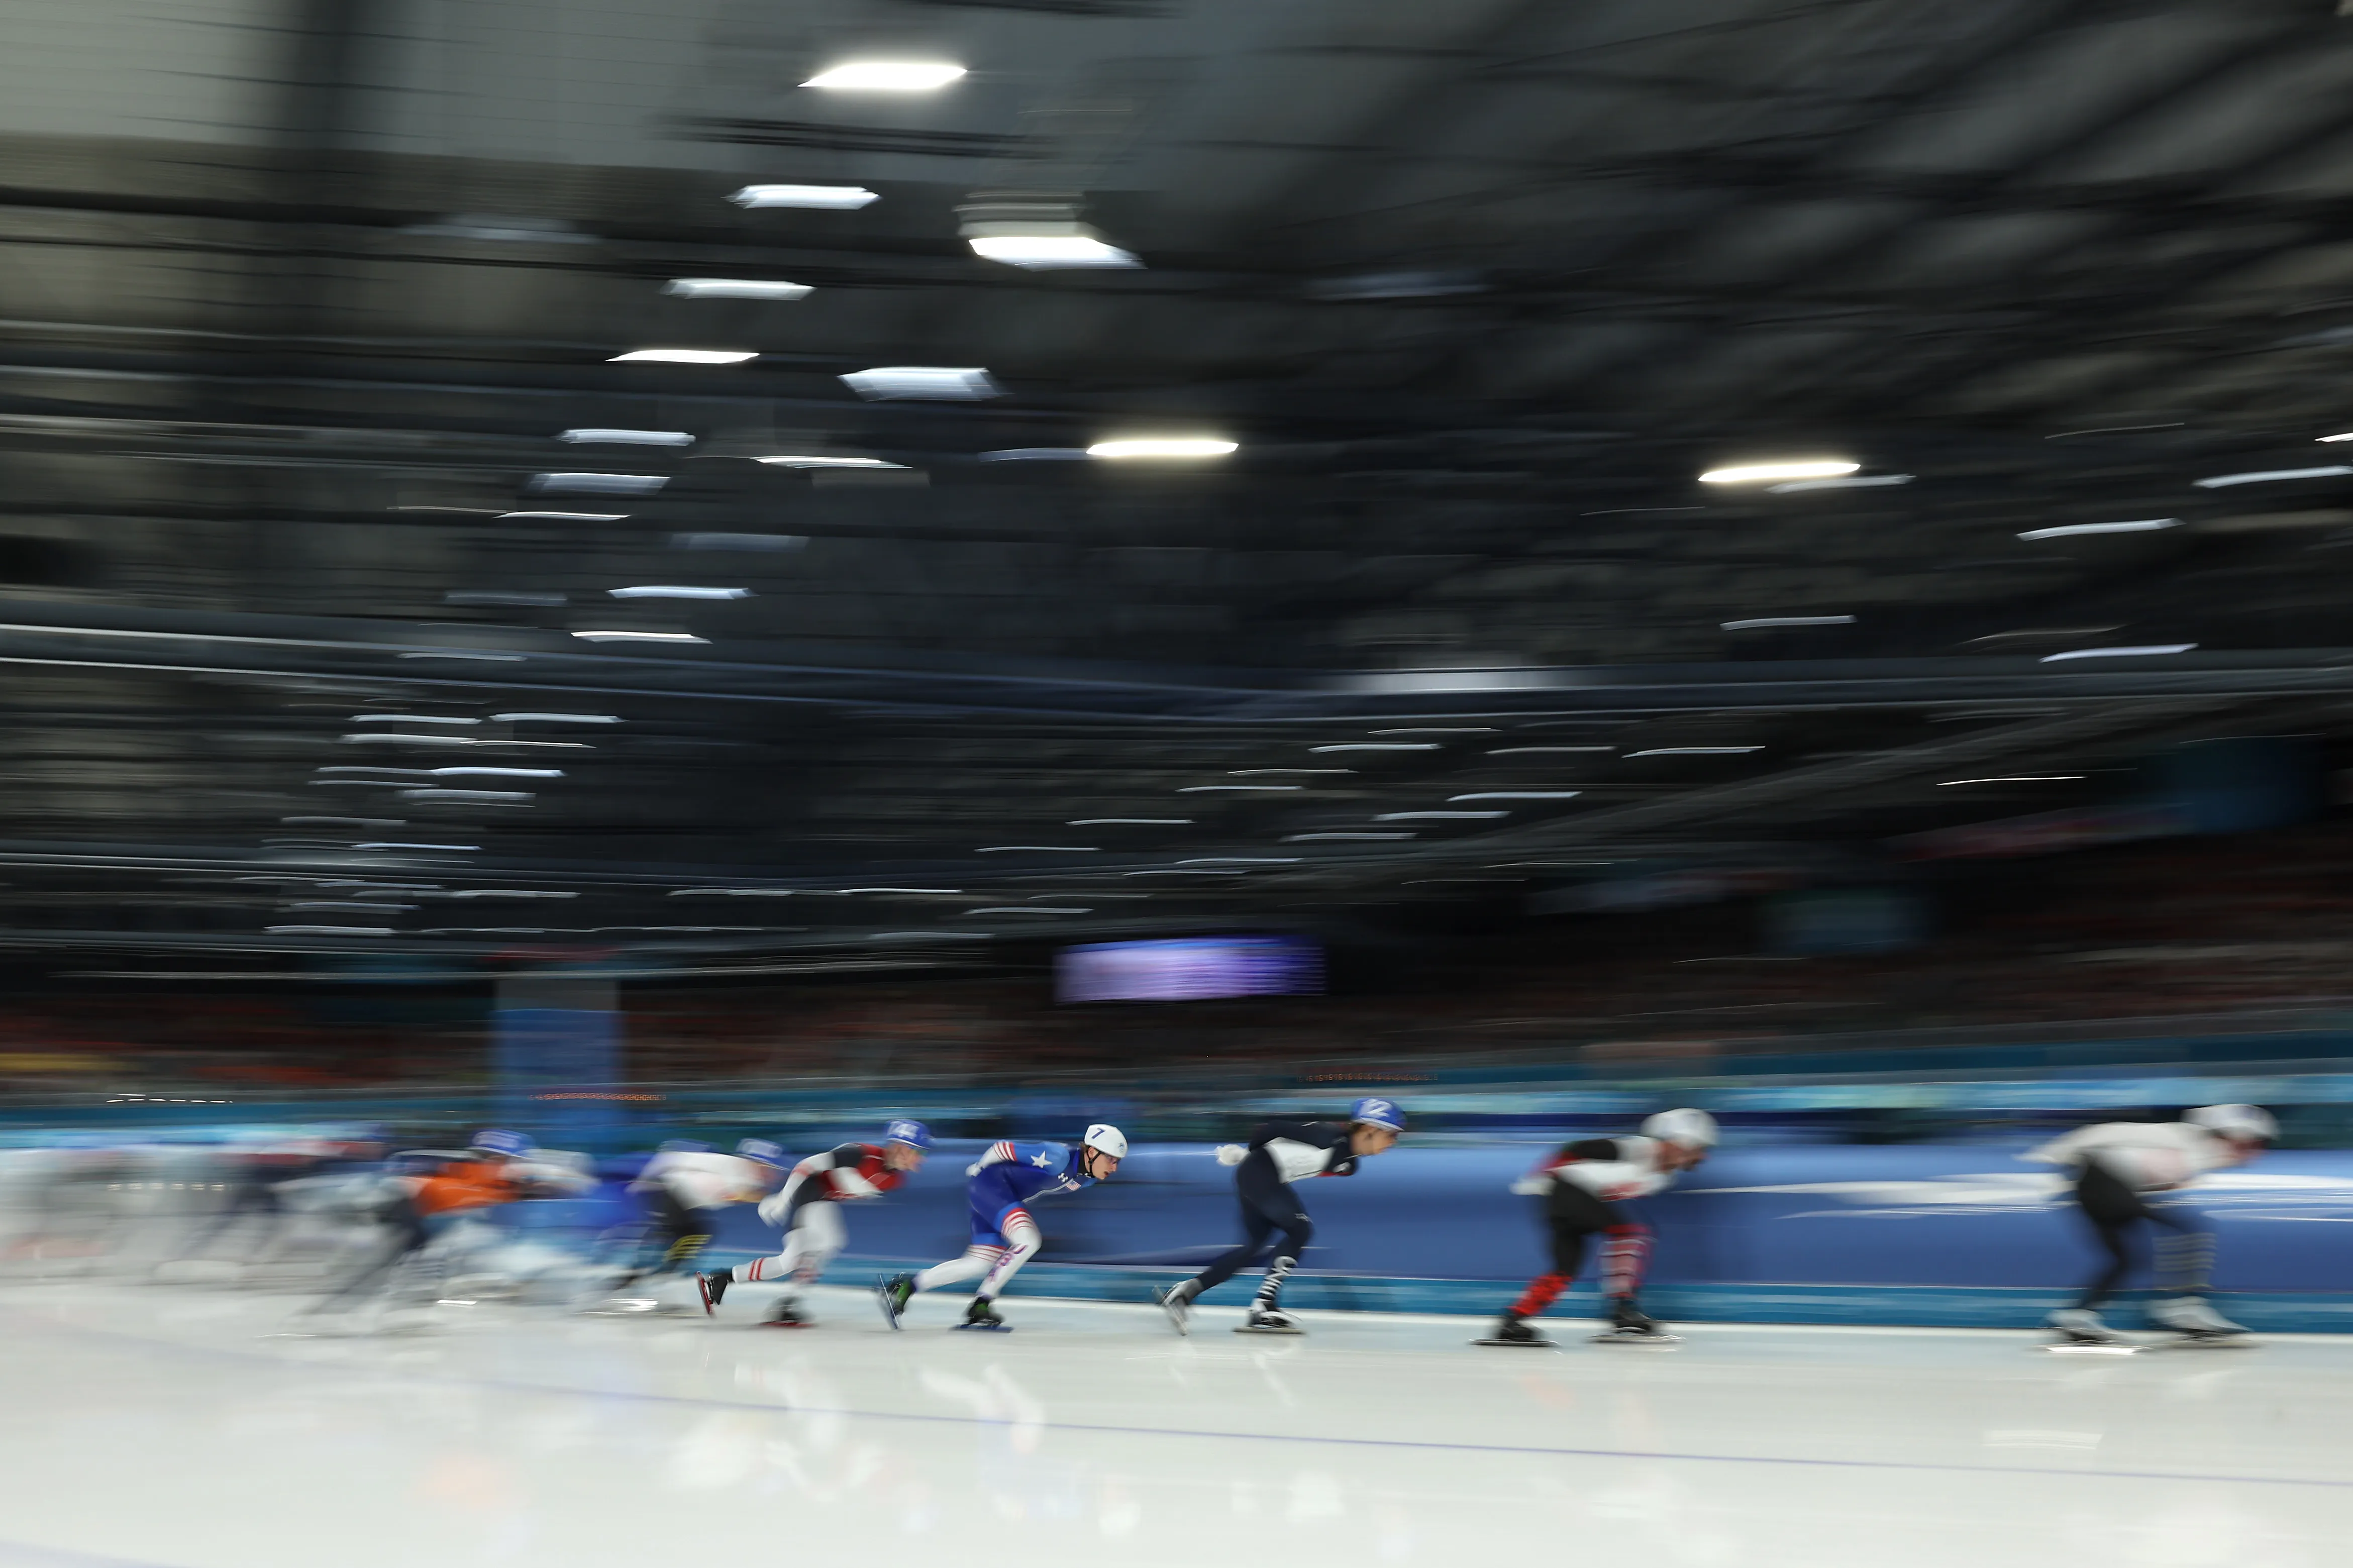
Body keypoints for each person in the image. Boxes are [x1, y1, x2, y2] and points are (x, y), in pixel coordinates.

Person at [2021, 1103, 2276, 1345]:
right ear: (2231, 1135)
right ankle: (2182, 1308)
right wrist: (2056, 1152)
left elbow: (2142, 1175)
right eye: (2254, 1143)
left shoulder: (2198, 1156)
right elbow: (2112, 1132)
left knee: (2127, 1260)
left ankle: (2076, 1317)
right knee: (2190, 1227)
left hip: (2095, 1186)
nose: (2257, 1152)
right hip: (2097, 1179)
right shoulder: (2180, 1139)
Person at [1154, 1097, 1405, 1336]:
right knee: (1300, 1229)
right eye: (1391, 1135)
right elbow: (1272, 1128)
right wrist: (1247, 1153)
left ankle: (1184, 1293)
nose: (1393, 1143)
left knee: (1253, 1246)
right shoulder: (1326, 1135)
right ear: (1371, 1129)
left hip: (1266, 1179)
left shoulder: (1349, 1165)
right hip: (1260, 1174)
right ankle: (1264, 1305)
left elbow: (1297, 1161)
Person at [1480, 1108, 1718, 1348]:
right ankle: (1623, 1310)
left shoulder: (1662, 1179)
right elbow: (1576, 1149)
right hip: (1566, 1191)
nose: (1702, 1158)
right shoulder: (1639, 1149)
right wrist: (1544, 1177)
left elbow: (1606, 1192)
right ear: (1678, 1143)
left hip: (1568, 1200)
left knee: (1563, 1272)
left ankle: (1512, 1321)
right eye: (1699, 1148)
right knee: (1632, 1233)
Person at [300, 1128, 592, 1320]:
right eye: (496, 1160)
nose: (502, 1166)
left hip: (427, 1217)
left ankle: (397, 1306)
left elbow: (549, 1187)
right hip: (411, 1213)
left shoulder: (499, 1180)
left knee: (418, 1260)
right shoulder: (473, 1174)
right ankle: (348, 1309)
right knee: (403, 1261)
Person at [876, 1123, 1127, 1331]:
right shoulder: (1058, 1156)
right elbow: (1002, 1148)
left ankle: (906, 1287)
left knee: (978, 1264)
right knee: (1029, 1240)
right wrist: (980, 1169)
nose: (1114, 1168)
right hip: (991, 1187)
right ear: (1092, 1152)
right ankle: (982, 1302)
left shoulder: (1087, 1180)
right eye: (1111, 1160)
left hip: (999, 1198)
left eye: (1117, 1162)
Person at [699, 1120, 931, 1325]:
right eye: (918, 1152)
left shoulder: (896, 1180)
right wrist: (783, 1198)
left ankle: (776, 1297)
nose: (920, 1160)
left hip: (823, 1201)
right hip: (805, 1193)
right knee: (793, 1260)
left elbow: (847, 1187)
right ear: (901, 1148)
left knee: (824, 1246)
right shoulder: (860, 1153)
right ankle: (729, 1282)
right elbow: (807, 1166)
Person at [607, 1138, 783, 1309]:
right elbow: (671, 1157)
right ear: (754, 1162)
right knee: (695, 1233)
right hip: (667, 1193)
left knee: (686, 1236)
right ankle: (653, 1279)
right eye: (767, 1168)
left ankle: (645, 1279)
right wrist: (644, 1181)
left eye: (772, 1169)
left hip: (676, 1199)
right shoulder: (729, 1165)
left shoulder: (750, 1178)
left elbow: (736, 1194)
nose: (771, 1175)